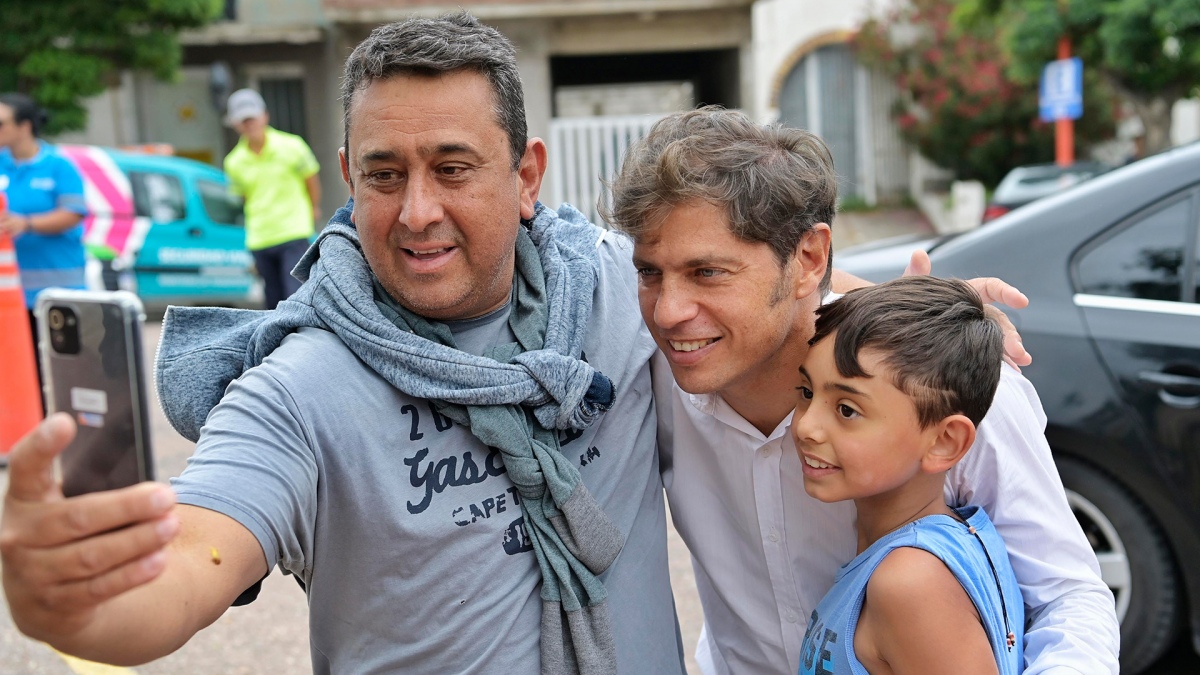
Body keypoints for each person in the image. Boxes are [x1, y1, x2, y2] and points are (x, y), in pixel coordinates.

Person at [1, 14, 684, 674]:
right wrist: (73, 602)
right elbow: (192, 557)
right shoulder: (300, 386)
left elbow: (766, 315)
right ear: (350, 180)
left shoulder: (622, 293)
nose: (417, 212)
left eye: (452, 168)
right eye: (384, 175)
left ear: (526, 177)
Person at [604, 107, 1120, 674]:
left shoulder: (936, 385)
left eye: (708, 273)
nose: (669, 312)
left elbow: (1068, 599)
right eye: (650, 272)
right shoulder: (644, 371)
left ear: (808, 258)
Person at [793, 276, 1022, 675]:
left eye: (847, 410)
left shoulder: (909, 584)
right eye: (807, 393)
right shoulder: (938, 545)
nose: (805, 427)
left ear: (944, 443)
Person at [0, 93, 87, 391]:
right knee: (23, 381)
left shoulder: (58, 166)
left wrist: (26, 224)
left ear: (25, 126)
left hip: (59, 294)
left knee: (66, 377)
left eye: (1, 123)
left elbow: (73, 213)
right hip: (12, 298)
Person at [223, 87, 321, 309]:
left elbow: (311, 180)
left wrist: (313, 209)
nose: (249, 124)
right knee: (273, 301)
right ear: (235, 124)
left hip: (293, 231)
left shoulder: (293, 146)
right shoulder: (234, 162)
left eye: (252, 118)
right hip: (260, 237)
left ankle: (302, 343)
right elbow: (245, 197)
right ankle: (279, 344)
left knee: (296, 297)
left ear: (264, 115)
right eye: (243, 120)